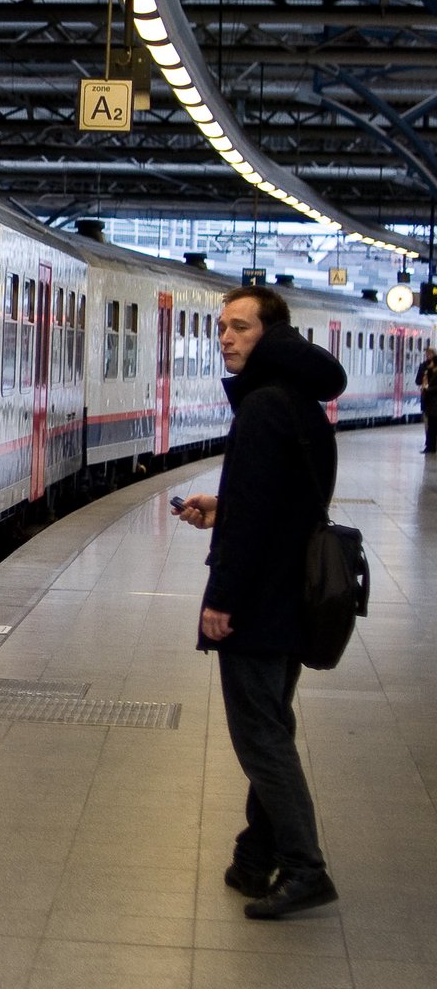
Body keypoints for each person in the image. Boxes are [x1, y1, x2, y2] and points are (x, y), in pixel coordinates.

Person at [175, 285, 346, 920]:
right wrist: (223, 508)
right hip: (289, 595)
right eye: (222, 326)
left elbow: (252, 526)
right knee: (271, 725)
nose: (226, 337)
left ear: (271, 336)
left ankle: (305, 868)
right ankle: (255, 857)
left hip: (258, 603)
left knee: (261, 739)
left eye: (241, 327)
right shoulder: (299, 403)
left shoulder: (263, 407)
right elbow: (276, 506)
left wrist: (221, 600)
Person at [418, 347, 437, 453]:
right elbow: (418, 380)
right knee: (429, 426)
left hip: (434, 403)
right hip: (428, 403)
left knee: (432, 426)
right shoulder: (424, 367)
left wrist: (428, 389)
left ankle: (431, 446)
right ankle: (429, 445)